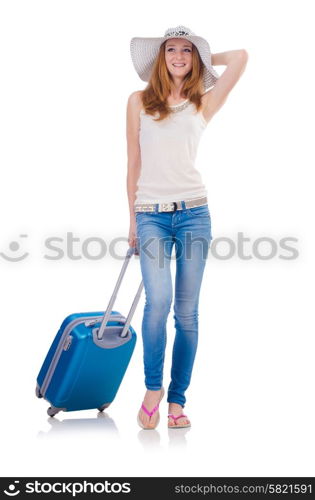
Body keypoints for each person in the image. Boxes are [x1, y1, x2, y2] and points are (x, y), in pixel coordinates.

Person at [126, 25, 248, 429]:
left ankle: (177, 401)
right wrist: (132, 221)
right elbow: (133, 164)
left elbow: (241, 57)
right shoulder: (138, 101)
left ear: (195, 58)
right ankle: (153, 389)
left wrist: (202, 55)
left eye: (186, 51)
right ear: (159, 57)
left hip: (195, 213)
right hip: (151, 216)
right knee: (157, 303)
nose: (178, 56)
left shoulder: (203, 103)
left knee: (187, 314)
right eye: (171, 50)